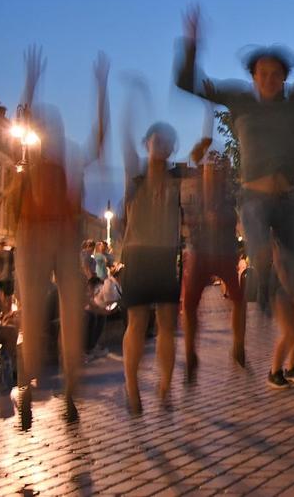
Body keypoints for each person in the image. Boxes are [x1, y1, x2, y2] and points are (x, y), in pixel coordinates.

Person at [175, 6, 294, 390]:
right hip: (254, 199)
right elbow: (187, 82)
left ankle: (286, 326)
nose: (270, 79)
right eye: (263, 74)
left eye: (276, 75)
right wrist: (192, 43)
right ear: (253, 78)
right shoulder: (239, 100)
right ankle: (268, 293)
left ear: (285, 80)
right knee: (258, 254)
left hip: (288, 201)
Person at [8, 46, 109, 429]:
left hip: (58, 237)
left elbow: (99, 140)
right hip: (36, 235)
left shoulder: (66, 162)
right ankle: (34, 388)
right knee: (35, 314)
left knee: (65, 314)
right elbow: (27, 118)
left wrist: (101, 92)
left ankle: (64, 392)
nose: (51, 135)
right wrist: (30, 88)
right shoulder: (34, 163)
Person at [119, 113, 209, 414]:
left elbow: (198, 158)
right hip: (137, 253)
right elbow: (124, 135)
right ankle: (132, 387)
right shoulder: (135, 175)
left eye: (168, 142)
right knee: (137, 322)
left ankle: (165, 387)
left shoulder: (177, 177)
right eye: (158, 140)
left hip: (167, 254)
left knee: (167, 325)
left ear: (172, 149)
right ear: (147, 144)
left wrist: (207, 120)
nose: (163, 146)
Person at [181, 147, 246, 383]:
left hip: (224, 251)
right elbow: (188, 218)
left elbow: (233, 217)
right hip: (201, 251)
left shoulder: (227, 193)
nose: (210, 173)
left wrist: (219, 218)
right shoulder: (196, 191)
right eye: (207, 169)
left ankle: (238, 345)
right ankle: (190, 354)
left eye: (215, 169)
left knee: (238, 297)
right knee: (189, 304)